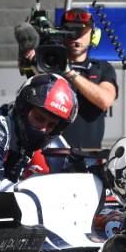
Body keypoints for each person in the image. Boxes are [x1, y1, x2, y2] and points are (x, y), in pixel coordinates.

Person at [20, 8, 117, 149]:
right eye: (70, 32)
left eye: (81, 33)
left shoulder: (102, 68)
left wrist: (70, 73)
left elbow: (105, 100)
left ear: (94, 35)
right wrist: (30, 56)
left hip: (87, 153)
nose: (75, 38)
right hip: (49, 151)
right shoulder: (47, 63)